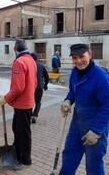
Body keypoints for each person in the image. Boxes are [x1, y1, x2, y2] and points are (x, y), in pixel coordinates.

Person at [59, 44, 109, 175]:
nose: (78, 61)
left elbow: (107, 106)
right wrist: (68, 100)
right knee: (69, 154)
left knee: (94, 163)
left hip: (95, 125)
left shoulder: (101, 77)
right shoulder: (75, 73)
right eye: (75, 58)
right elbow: (73, 92)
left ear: (90, 55)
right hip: (77, 123)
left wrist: (97, 131)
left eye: (82, 56)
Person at [0, 39, 37, 170]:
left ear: (15, 49)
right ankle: (18, 153)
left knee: (22, 132)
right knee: (19, 130)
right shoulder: (31, 60)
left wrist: (6, 98)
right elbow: (35, 83)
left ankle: (24, 158)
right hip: (28, 102)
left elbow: (18, 87)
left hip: (22, 104)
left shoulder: (19, 62)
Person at [30, 52, 49, 124]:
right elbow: (46, 76)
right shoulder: (41, 65)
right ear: (37, 58)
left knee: (30, 101)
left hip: (31, 87)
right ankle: (35, 115)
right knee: (38, 102)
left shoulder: (29, 65)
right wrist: (46, 84)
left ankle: (30, 115)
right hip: (39, 87)